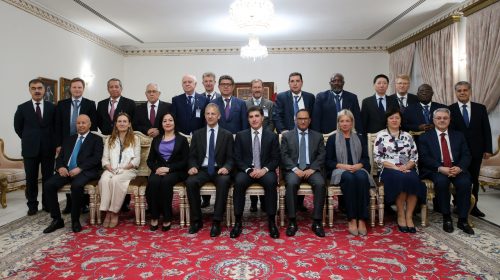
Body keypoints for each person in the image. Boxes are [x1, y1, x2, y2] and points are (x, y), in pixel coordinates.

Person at [42, 115, 103, 233]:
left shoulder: (96, 139)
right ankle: (56, 219)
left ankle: (75, 220)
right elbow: (60, 157)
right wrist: (60, 167)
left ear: (89, 125)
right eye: (78, 123)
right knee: (48, 185)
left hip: (85, 171)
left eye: (84, 123)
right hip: (67, 171)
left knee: (76, 186)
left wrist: (80, 168)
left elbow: (96, 159)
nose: (81, 125)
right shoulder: (69, 139)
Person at [419, 108, 474, 234]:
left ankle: (463, 219)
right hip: (435, 168)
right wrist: (440, 168)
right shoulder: (425, 137)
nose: (442, 120)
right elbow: (424, 157)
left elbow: (466, 155)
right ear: (433, 120)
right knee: (442, 182)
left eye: (445, 118)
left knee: (465, 183)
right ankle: (447, 217)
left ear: (449, 120)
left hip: (456, 167)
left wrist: (460, 167)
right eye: (439, 118)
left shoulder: (458, 135)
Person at [230, 106, 280, 239]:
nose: (254, 119)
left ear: (262, 118)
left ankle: (271, 221)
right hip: (247, 170)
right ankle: (238, 221)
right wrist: (248, 170)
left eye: (257, 116)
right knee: (239, 182)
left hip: (265, 169)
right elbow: (237, 158)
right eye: (251, 117)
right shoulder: (241, 135)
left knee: (271, 182)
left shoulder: (272, 136)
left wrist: (264, 170)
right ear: (248, 119)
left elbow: (276, 159)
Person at [373, 108, 426, 233]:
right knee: (401, 178)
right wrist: (396, 167)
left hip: (407, 168)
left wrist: (407, 167)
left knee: (413, 179)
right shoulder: (381, 136)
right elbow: (378, 158)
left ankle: (409, 216)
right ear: (387, 121)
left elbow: (414, 157)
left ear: (401, 120)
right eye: (391, 118)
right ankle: (401, 215)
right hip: (388, 169)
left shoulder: (407, 136)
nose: (394, 120)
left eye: (397, 118)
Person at [185, 103, 233, 236]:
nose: (210, 116)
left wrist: (226, 167)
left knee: (224, 182)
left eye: (213, 114)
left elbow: (231, 158)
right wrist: (193, 166)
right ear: (204, 115)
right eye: (207, 113)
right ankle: (196, 220)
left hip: (220, 169)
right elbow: (192, 156)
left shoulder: (227, 135)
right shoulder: (198, 134)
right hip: (203, 169)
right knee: (190, 182)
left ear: (219, 116)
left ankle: (217, 221)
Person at [326, 109, 374, 236]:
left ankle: (362, 219)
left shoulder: (359, 138)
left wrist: (359, 165)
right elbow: (328, 161)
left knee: (362, 177)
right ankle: (352, 218)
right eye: (342, 121)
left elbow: (365, 159)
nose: (345, 123)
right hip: (340, 170)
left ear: (352, 123)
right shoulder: (332, 139)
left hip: (358, 169)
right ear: (338, 123)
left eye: (347, 121)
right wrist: (342, 166)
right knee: (350, 178)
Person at [449, 81, 492, 218]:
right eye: (459, 90)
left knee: (474, 179)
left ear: (470, 91)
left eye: (465, 90)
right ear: (455, 93)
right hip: (457, 152)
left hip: (476, 150)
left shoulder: (480, 108)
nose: (462, 92)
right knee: (458, 178)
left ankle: (474, 207)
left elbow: (486, 130)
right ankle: (457, 204)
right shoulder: (450, 109)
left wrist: (488, 149)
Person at [54, 77, 97, 214]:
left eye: (80, 87)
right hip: (67, 143)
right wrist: (59, 144)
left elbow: (93, 124)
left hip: (84, 142)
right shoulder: (61, 104)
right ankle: (70, 203)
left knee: (80, 171)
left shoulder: (90, 104)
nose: (77, 89)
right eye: (74, 87)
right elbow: (58, 126)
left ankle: (82, 203)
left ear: (83, 89)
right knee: (68, 169)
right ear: (70, 89)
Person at [14, 78, 56, 215]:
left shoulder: (52, 107)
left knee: (48, 179)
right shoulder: (22, 108)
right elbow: (18, 128)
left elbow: (55, 127)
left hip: (48, 148)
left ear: (44, 90)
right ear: (30, 90)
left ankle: (47, 204)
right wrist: (30, 139)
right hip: (29, 149)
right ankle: (32, 206)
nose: (37, 91)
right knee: (31, 179)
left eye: (39, 88)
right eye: (34, 88)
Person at [281, 109, 326, 237]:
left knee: (320, 184)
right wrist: (295, 169)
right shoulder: (287, 136)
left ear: (310, 120)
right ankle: (292, 221)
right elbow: (284, 156)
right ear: (295, 120)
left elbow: (322, 155)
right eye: (300, 118)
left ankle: (317, 222)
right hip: (294, 169)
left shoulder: (317, 136)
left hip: (312, 169)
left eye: (305, 118)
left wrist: (313, 168)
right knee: (291, 183)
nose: (303, 121)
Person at [273, 72, 313, 211]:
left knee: (303, 164)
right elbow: (277, 115)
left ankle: (299, 203)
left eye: (297, 81)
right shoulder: (282, 97)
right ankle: (287, 202)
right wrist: (283, 130)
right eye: (292, 81)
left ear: (302, 82)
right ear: (289, 83)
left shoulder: (309, 97)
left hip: (304, 136)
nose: (295, 83)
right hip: (288, 138)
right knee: (289, 168)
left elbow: (312, 117)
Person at [146, 112, 189, 231]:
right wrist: (156, 169)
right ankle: (154, 215)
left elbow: (185, 161)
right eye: (165, 121)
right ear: (161, 124)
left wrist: (169, 169)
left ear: (175, 123)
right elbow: (150, 161)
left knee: (166, 182)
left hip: (176, 170)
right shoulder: (156, 139)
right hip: (159, 170)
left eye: (170, 120)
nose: (168, 123)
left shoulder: (182, 139)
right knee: (153, 181)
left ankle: (167, 216)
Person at [98, 113, 140, 228]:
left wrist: (123, 168)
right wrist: (109, 167)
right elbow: (105, 158)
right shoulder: (110, 139)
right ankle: (107, 212)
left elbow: (136, 160)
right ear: (116, 124)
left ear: (129, 124)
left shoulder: (135, 139)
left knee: (116, 180)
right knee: (104, 180)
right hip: (112, 168)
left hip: (128, 169)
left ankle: (114, 212)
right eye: (119, 121)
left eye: (124, 121)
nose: (122, 123)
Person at [245, 79, 274, 212]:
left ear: (263, 89)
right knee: (252, 168)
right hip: (250, 139)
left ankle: (263, 202)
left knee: (263, 168)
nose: (257, 89)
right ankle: (253, 202)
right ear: (251, 89)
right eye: (254, 87)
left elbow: (272, 122)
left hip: (265, 140)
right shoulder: (245, 104)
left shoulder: (269, 104)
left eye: (259, 87)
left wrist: (266, 135)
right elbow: (244, 122)